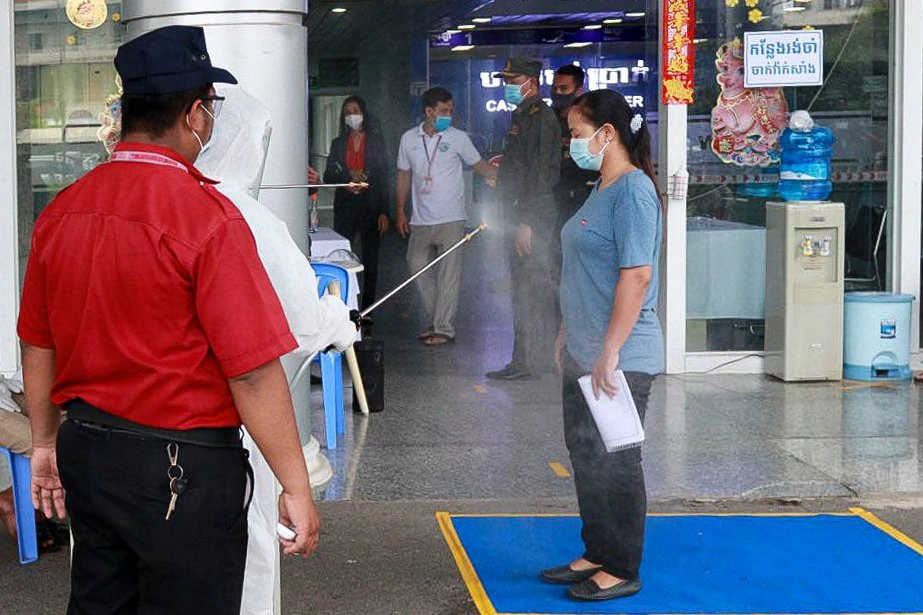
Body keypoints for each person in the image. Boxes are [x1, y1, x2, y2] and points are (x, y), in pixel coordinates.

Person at [17, 26, 319, 613]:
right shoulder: (208, 218)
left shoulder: (62, 210)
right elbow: (252, 372)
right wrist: (295, 485)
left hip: (89, 451)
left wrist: (44, 442)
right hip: (182, 468)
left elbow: (36, 341)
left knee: (102, 601)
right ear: (195, 114)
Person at [195, 85, 357, 615]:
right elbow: (295, 322)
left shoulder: (169, 202)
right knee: (247, 547)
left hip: (142, 434)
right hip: (235, 425)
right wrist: (337, 321)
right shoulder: (244, 216)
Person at [540, 89, 663, 602]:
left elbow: (635, 276)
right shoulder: (601, 186)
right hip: (584, 350)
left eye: (575, 133)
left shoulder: (633, 191)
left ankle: (622, 564)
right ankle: (596, 549)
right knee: (585, 455)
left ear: (606, 134)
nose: (572, 143)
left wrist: (610, 349)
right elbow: (587, 268)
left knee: (617, 459)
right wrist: (569, 330)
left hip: (621, 356)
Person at [395, 87, 498, 346]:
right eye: (443, 111)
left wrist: (505, 177)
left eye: (451, 111)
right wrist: (399, 209)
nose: (448, 116)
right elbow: (403, 175)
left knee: (449, 274)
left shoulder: (458, 138)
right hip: (420, 219)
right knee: (416, 264)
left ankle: (443, 327)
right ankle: (436, 316)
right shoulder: (408, 139)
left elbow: (479, 166)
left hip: (452, 217)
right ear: (429, 112)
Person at [486, 57, 562, 381]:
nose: (508, 86)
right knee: (522, 288)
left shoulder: (540, 118)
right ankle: (523, 360)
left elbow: (542, 173)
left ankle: (530, 362)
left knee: (531, 288)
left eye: (513, 80)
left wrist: (527, 222)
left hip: (532, 217)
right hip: (519, 212)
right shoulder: (522, 116)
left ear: (531, 81)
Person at [323, 95, 391, 312]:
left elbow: (382, 177)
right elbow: (328, 175)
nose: (352, 115)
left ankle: (368, 309)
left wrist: (384, 212)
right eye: (348, 111)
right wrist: (346, 179)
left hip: (370, 206)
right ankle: (343, 305)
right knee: (342, 255)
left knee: (371, 259)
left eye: (355, 110)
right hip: (346, 206)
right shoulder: (337, 143)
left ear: (363, 114)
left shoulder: (376, 142)